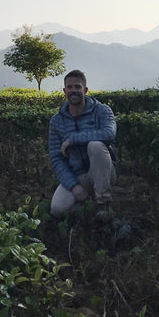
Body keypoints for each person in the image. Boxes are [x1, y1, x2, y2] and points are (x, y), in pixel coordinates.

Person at [48, 69, 117, 220]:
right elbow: (56, 158)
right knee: (57, 208)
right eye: (70, 87)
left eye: (77, 87)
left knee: (95, 145)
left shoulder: (102, 111)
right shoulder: (56, 121)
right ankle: (87, 208)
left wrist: (73, 139)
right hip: (77, 175)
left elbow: (109, 133)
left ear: (85, 90)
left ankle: (103, 205)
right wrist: (74, 186)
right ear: (64, 91)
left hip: (104, 171)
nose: (74, 91)